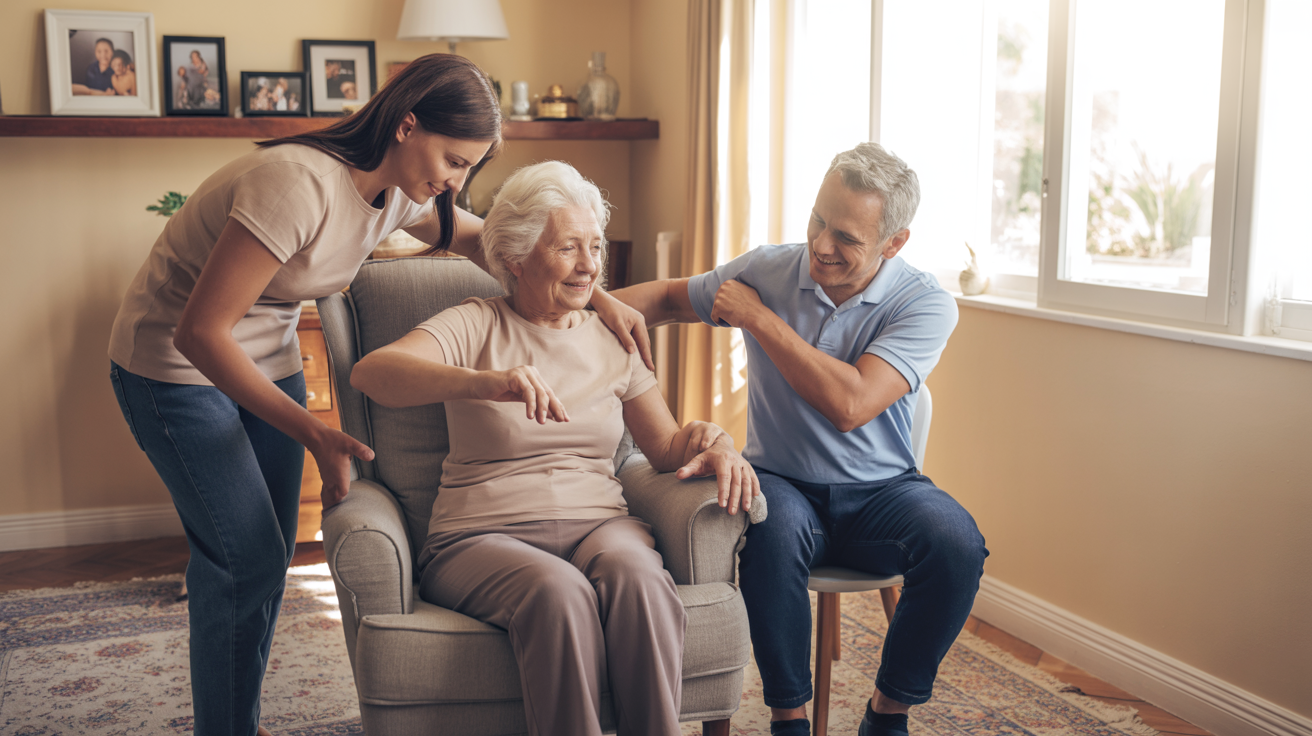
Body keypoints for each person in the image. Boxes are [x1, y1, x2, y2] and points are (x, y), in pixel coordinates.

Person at [107, 54, 652, 736]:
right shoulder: (296, 185)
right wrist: (313, 430)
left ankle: (233, 717)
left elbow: (498, 245)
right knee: (243, 559)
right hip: (173, 365)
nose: (458, 182)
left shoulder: (402, 194)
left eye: (468, 168)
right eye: (455, 161)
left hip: (264, 358)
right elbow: (201, 332)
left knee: (270, 553)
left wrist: (599, 296)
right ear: (406, 125)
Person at [350, 160, 759, 736]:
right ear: (516, 257)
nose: (590, 265)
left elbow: (665, 446)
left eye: (595, 246)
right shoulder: (475, 324)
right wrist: (487, 382)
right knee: (558, 591)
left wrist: (711, 442)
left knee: (640, 579)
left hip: (600, 524)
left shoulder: (613, 339)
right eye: (569, 248)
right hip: (480, 537)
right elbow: (374, 373)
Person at [611, 142, 988, 736]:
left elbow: (850, 404)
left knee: (958, 543)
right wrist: (570, 315)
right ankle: (788, 718)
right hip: (783, 481)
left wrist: (761, 320)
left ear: (894, 243)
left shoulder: (924, 303)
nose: (821, 245)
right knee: (770, 529)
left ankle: (888, 714)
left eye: (846, 237)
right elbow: (662, 300)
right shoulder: (767, 269)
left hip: (883, 492)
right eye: (817, 220)